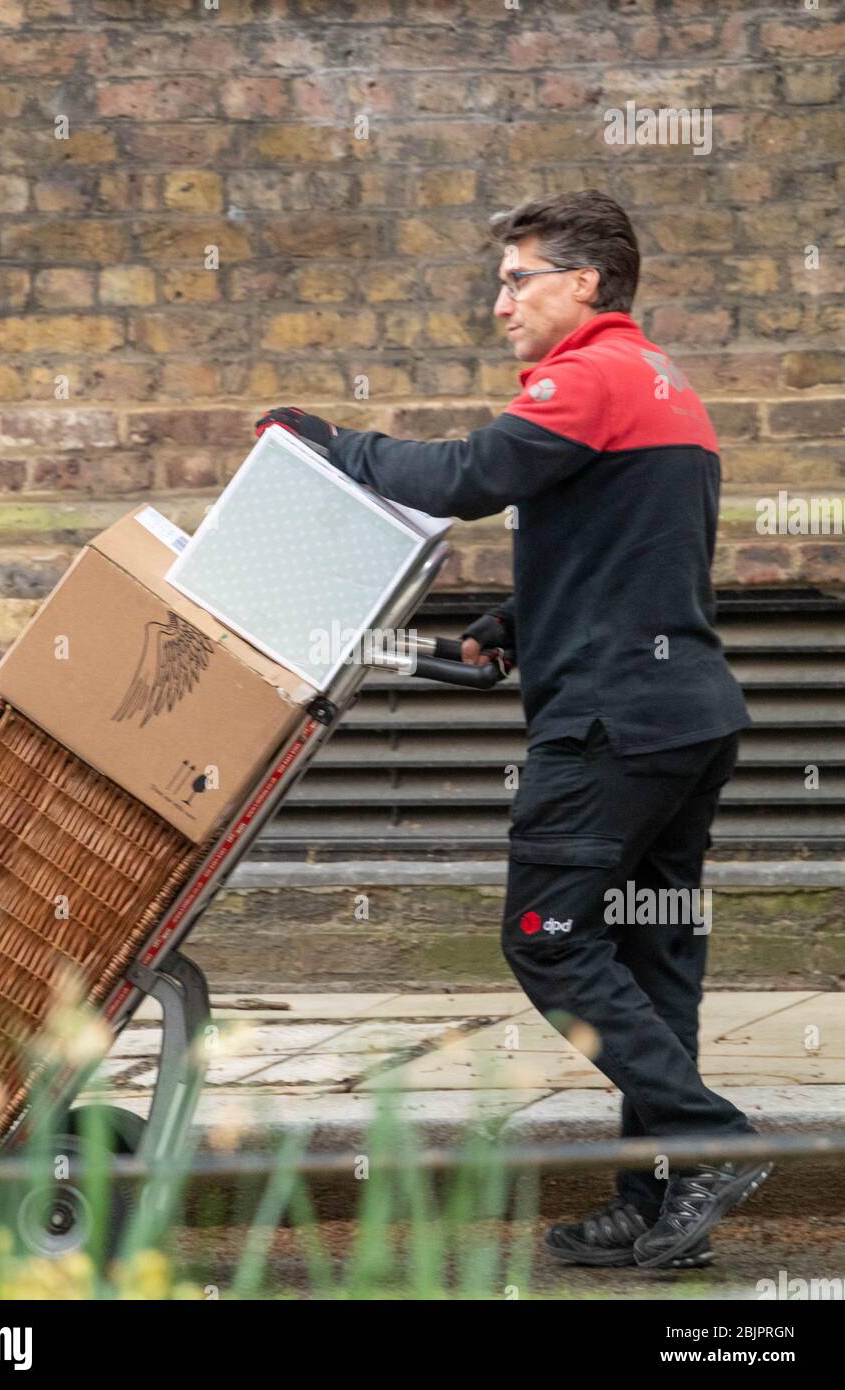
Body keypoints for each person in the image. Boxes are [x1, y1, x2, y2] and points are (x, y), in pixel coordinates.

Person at [254, 188, 773, 1271]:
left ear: (581, 284)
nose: (500, 304)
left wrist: (332, 443)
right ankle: (657, 1200)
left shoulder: (586, 374)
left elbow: (471, 479)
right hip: (682, 717)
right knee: (650, 963)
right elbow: (624, 553)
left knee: (546, 939)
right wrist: (505, 628)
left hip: (608, 728)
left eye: (515, 278)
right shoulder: (661, 381)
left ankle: (711, 1138)